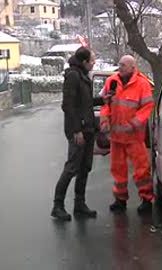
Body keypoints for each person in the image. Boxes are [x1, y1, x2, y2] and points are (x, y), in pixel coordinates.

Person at [100, 55, 155, 214]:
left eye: (124, 65)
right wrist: (104, 121)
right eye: (119, 64)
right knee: (117, 169)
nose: (120, 67)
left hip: (134, 136)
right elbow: (106, 105)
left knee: (141, 169)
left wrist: (135, 123)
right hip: (116, 136)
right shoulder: (111, 81)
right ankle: (120, 199)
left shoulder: (142, 84)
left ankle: (146, 200)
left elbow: (147, 106)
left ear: (132, 67)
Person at [51, 47, 101, 221]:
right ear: (84, 61)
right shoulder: (73, 76)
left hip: (88, 128)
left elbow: (85, 103)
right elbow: (68, 105)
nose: (94, 63)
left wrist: (104, 99)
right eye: (92, 60)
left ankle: (80, 204)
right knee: (72, 168)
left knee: (85, 168)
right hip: (78, 130)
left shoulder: (82, 75)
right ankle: (57, 206)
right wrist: (76, 130)